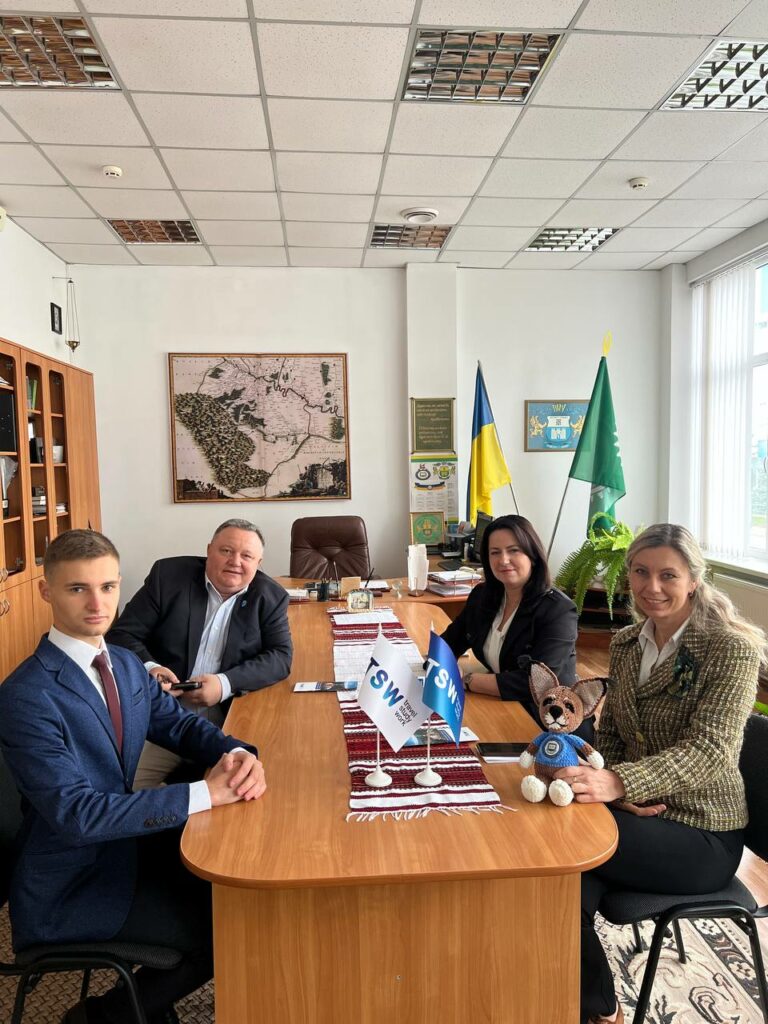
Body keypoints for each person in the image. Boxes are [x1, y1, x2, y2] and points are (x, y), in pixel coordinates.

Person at [0, 529, 267, 1024]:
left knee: (242, 895)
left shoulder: (122, 663)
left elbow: (178, 726)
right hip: (71, 883)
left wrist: (236, 752)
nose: (97, 603)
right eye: (77, 589)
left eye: (107, 587)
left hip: (121, 846)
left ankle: (142, 1007)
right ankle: (101, 1017)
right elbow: (78, 816)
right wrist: (204, 793)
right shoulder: (27, 696)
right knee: (222, 930)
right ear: (46, 591)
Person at [553, 523, 766, 1024]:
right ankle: (595, 1005)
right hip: (639, 812)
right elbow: (614, 732)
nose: (652, 587)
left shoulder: (730, 649)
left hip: (702, 831)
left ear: (694, 578)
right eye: (640, 572)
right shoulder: (628, 643)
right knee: (561, 881)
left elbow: (711, 751)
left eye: (668, 575)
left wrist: (621, 782)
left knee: (562, 850)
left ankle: (591, 1005)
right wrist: (608, 779)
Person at [107, 518, 292, 787]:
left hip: (228, 719)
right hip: (166, 716)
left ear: (258, 563)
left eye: (247, 556)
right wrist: (151, 668)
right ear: (209, 550)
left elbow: (281, 656)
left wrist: (224, 683)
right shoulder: (168, 577)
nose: (235, 562)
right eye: (226, 551)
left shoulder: (270, 597)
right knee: (129, 788)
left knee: (248, 790)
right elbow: (121, 635)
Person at [440, 514, 584, 734]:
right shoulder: (482, 596)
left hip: (549, 722)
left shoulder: (558, 611)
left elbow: (536, 682)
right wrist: (448, 666)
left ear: (532, 555)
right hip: (500, 705)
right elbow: (446, 644)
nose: (503, 560)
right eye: (495, 552)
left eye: (513, 550)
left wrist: (468, 680)